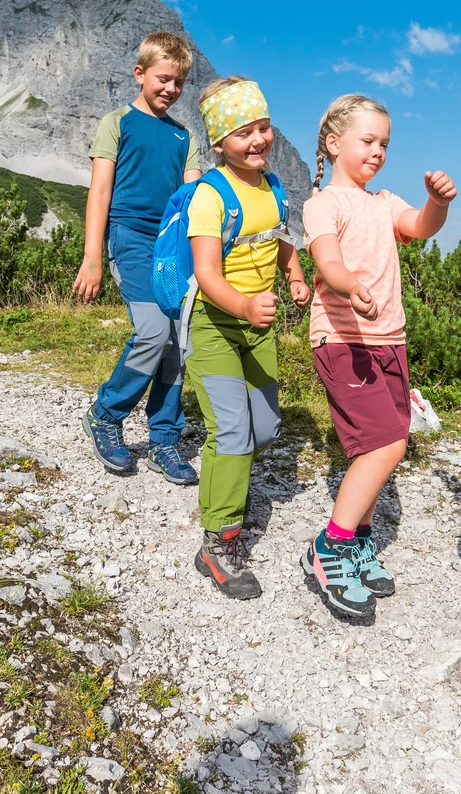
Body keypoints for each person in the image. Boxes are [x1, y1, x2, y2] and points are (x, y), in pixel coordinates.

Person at [299, 94, 455, 623]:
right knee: (388, 443)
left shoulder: (383, 201)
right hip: (343, 340)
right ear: (334, 143)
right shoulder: (324, 204)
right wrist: (348, 286)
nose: (379, 151)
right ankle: (331, 546)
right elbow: (328, 261)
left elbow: (421, 226)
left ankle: (359, 539)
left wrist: (439, 203)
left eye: (385, 143)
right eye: (368, 140)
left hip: (389, 340)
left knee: (379, 445)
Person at [187, 77, 312, 599]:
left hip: (256, 329)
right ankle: (219, 541)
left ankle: (227, 475)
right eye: (244, 133)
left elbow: (280, 239)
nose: (258, 140)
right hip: (213, 324)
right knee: (233, 432)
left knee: (264, 428)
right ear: (220, 143)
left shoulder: (273, 187)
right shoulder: (209, 195)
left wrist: (296, 277)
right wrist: (242, 304)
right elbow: (208, 273)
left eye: (263, 127)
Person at [76, 32, 205, 482]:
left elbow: (192, 199)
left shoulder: (183, 136)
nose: (170, 89)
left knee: (178, 340)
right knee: (153, 331)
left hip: (171, 248)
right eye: (163, 78)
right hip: (128, 237)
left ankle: (164, 440)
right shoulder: (117, 123)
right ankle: (106, 413)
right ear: (140, 74)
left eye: (179, 83)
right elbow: (100, 191)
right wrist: (93, 256)